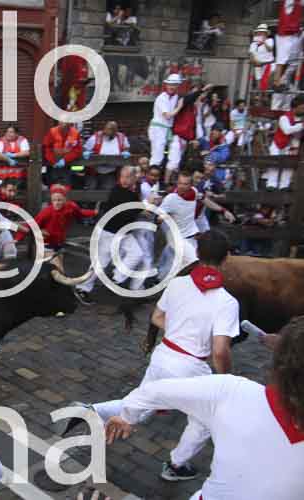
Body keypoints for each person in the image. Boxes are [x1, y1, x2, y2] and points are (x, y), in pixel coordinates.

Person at [66, 230, 239, 481]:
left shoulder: (177, 284)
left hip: (163, 355)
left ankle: (93, 410)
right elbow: (220, 350)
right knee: (203, 420)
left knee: (143, 402)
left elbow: (157, 317)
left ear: (198, 253)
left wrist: (179, 331)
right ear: (227, 258)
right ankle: (176, 465)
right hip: (191, 369)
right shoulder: (227, 301)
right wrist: (226, 378)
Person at [105, 316, 304, 499]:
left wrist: (128, 416)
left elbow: (153, 391)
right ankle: (177, 463)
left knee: (201, 422)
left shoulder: (230, 391)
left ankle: (177, 463)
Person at [75, 166, 144, 304]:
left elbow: (134, 209)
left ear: (134, 178)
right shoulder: (117, 191)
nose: (124, 180)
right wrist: (141, 208)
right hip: (109, 232)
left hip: (124, 233)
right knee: (100, 262)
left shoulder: (133, 192)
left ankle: (116, 278)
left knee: (137, 253)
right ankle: (82, 288)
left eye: (128, 177)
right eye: (122, 177)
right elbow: (127, 213)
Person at [31, 184, 97, 270]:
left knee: (57, 268)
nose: (56, 203)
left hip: (59, 243)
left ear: (65, 199)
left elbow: (80, 213)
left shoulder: (71, 207)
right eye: (54, 200)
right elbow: (33, 225)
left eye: (59, 200)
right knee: (58, 269)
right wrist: (40, 231)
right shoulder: (46, 212)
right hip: (47, 244)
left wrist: (94, 212)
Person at [266, 94, 304, 191]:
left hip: (294, 145)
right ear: (295, 107)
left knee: (289, 166)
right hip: (279, 144)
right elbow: (287, 130)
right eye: (302, 108)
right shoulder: (284, 117)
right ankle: (271, 184)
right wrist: (301, 126)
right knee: (275, 164)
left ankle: (284, 185)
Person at [148, 73, 182, 171]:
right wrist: (180, 107)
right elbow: (167, 115)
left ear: (178, 86)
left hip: (169, 129)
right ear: (166, 85)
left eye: (174, 84)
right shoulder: (162, 97)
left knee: (175, 155)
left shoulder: (176, 97)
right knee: (157, 156)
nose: (172, 86)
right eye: (170, 84)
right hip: (158, 128)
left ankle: (169, 176)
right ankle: (152, 178)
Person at [83, 121, 131, 190]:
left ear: (115, 131)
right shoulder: (95, 137)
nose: (108, 133)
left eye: (111, 131)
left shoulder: (121, 138)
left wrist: (125, 152)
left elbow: (126, 148)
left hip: (111, 172)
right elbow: (85, 149)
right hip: (93, 171)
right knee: (91, 190)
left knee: (108, 191)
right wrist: (87, 152)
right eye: (107, 130)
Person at [273, 0, 304, 89]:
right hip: (284, 34)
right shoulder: (289, 1)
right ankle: (276, 83)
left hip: (294, 34)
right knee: (281, 60)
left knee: (295, 61)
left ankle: (283, 80)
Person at [42, 121, 82, 186]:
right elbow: (46, 148)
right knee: (52, 184)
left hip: (68, 164)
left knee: (66, 185)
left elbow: (77, 150)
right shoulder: (52, 131)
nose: (63, 124)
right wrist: (53, 160)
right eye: (61, 122)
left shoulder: (75, 133)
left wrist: (65, 160)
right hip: (53, 164)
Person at [249, 24, 275, 92]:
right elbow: (251, 55)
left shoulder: (270, 40)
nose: (260, 34)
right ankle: (259, 95)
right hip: (258, 65)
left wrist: (264, 41)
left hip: (268, 65)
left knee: (267, 85)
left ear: (266, 33)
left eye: (262, 32)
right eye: (259, 32)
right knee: (259, 86)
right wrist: (256, 61)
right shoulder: (253, 44)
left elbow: (270, 49)